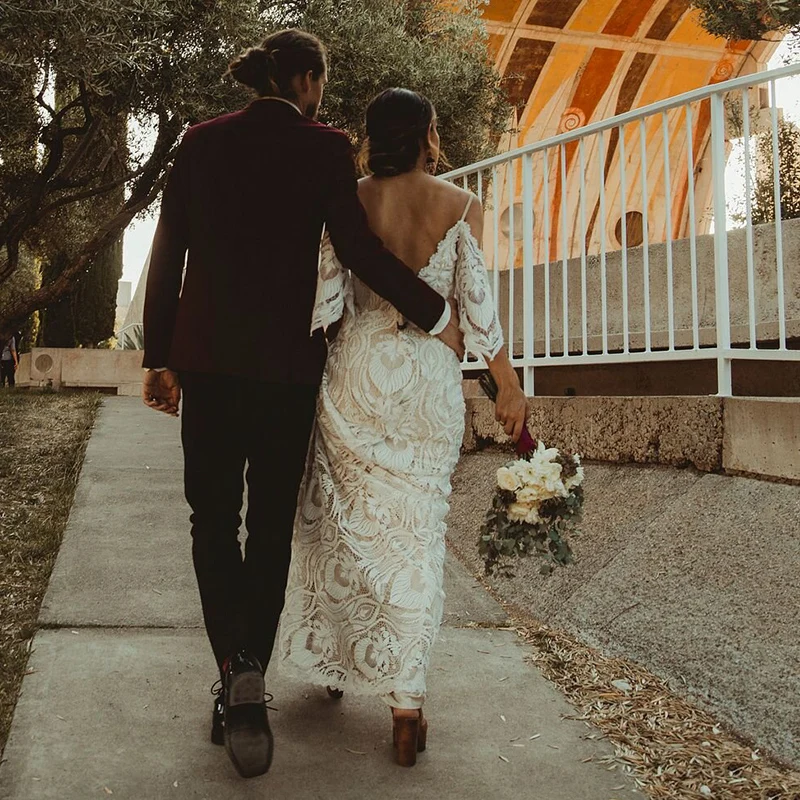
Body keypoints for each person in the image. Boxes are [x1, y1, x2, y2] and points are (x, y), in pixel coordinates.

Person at [140, 30, 464, 779]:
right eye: (321, 81)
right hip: (288, 371)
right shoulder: (326, 149)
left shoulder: (198, 142)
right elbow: (359, 252)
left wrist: (159, 356)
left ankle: (235, 672)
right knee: (272, 523)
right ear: (307, 79)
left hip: (210, 366)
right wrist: (438, 316)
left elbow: (169, 250)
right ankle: (252, 660)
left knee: (212, 519)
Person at [277, 88, 527, 767]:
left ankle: (335, 660)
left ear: (372, 135)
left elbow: (325, 302)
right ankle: (407, 701)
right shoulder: (460, 205)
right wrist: (507, 384)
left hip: (356, 374)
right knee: (416, 538)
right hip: (426, 384)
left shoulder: (349, 201)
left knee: (344, 524)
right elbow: (478, 311)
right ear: (428, 134)